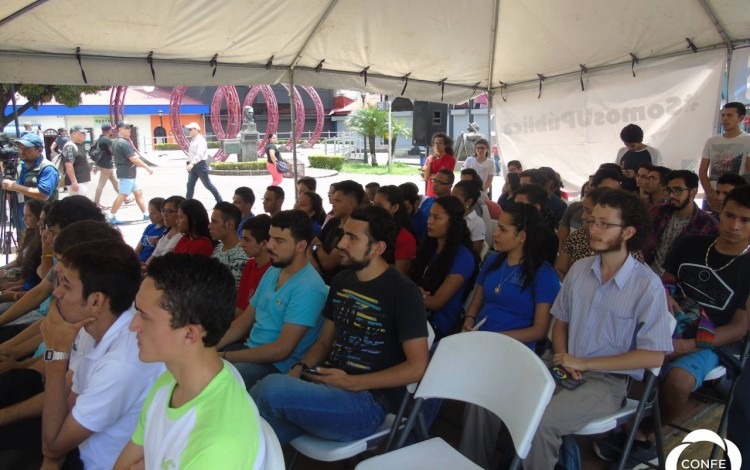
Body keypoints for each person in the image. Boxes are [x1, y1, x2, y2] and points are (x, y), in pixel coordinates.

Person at [250, 205, 429, 444]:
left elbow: (417, 367)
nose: (341, 244)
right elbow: (324, 342)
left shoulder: (403, 292)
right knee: (254, 434)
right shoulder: (342, 281)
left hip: (366, 403)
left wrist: (353, 382)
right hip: (327, 386)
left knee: (269, 389)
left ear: (378, 248)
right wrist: (300, 369)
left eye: (352, 237)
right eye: (344, 233)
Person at [600, 184, 750, 465]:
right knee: (615, 349)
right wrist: (665, 294)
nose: (734, 226)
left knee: (679, 381)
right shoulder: (692, 243)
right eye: (729, 216)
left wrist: (690, 344)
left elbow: (740, 328)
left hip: (712, 340)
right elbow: (666, 280)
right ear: (720, 211)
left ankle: (647, 431)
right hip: (667, 322)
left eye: (745, 220)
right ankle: (620, 419)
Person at [524, 189, 673, 469]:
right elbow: (561, 323)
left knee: (541, 423)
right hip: (561, 366)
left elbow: (654, 357)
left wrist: (584, 362)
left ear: (628, 232)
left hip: (606, 381)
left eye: (604, 224)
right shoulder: (580, 269)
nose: (592, 229)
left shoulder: (646, 285)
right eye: (592, 221)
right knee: (500, 397)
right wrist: (563, 356)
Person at [115, 254, 263, 470]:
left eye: (144, 316)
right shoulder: (170, 381)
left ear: (190, 334)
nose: (133, 326)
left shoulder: (219, 445)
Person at [38, 232, 163, 469]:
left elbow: (53, 445)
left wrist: (56, 354)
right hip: (75, 448)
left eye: (66, 285)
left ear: (96, 301)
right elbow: (70, 403)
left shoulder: (122, 363)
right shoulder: (92, 329)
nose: (57, 293)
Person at [459, 203, 561, 468]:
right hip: (482, 341)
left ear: (522, 236)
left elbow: (539, 330)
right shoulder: (494, 260)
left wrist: (497, 340)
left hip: (516, 352)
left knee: (482, 399)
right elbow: (476, 302)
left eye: (503, 229)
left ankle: (473, 462)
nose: (496, 233)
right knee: (434, 361)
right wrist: (469, 321)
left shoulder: (543, 275)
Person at [217, 210, 327, 388]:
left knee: (217, 381)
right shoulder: (274, 269)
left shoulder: (309, 287)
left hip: (275, 366)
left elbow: (281, 350)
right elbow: (244, 321)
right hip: (250, 351)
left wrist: (224, 356)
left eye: (279, 241)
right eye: (271, 238)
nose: (270, 246)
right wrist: (212, 346)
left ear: (300, 246)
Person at [410, 196, 477, 339]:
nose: (429, 221)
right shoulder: (430, 246)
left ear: (453, 223)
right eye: (429, 216)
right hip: (416, 313)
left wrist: (411, 293)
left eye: (437, 217)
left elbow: (436, 302)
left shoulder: (463, 257)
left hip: (438, 324)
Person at [642, 169, 718, 276]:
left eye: (678, 190)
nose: (672, 195)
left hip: (677, 284)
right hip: (646, 274)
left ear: (693, 192)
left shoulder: (707, 224)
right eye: (669, 190)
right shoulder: (658, 212)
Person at [308, 180, 364, 284]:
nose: (333, 204)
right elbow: (310, 246)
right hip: (318, 280)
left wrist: (317, 247)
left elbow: (328, 264)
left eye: (338, 201)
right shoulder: (333, 222)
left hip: (337, 284)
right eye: (334, 200)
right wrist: (314, 264)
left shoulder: (354, 231)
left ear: (351, 204)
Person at [699, 102, 750, 212]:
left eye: (730, 115)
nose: (725, 119)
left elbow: (748, 172)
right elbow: (702, 171)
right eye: (723, 115)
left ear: (740, 118)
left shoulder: (747, 140)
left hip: (735, 198)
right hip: (712, 197)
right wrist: (710, 194)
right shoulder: (711, 141)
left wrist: (737, 195)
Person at [1, 134, 58, 232]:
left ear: (39, 150)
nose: (22, 152)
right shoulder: (21, 166)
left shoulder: (47, 168)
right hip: (23, 216)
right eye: (20, 148)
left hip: (41, 219)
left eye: (27, 149)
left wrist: (15, 186)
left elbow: (43, 195)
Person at [108, 121, 153, 225]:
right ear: (120, 129)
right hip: (127, 172)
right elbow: (133, 159)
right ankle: (111, 215)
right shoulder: (123, 143)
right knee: (123, 194)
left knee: (138, 192)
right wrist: (147, 167)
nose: (129, 130)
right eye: (126, 128)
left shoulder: (116, 142)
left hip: (127, 172)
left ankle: (146, 214)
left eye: (129, 128)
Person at [372, 185, 417, 275]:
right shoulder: (372, 228)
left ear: (395, 208)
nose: (374, 210)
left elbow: (399, 277)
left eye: (380, 206)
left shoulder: (404, 238)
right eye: (374, 204)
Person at [514, 184, 559, 266]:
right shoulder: (515, 226)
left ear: (536, 207)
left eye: (520, 205)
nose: (514, 209)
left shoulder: (549, 238)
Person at [235, 214, 272, 314]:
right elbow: (240, 306)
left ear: (264, 244)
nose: (241, 244)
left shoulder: (273, 271)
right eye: (242, 238)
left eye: (247, 239)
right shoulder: (250, 264)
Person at [209, 202, 248, 289]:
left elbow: (232, 292)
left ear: (230, 224)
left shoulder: (241, 256)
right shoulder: (219, 248)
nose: (209, 226)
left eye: (214, 222)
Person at [615, 123, 663, 192]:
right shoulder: (622, 151)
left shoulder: (653, 153)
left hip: (645, 191)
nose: (629, 148)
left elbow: (657, 176)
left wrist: (635, 176)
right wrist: (621, 171)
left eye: (632, 146)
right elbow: (615, 171)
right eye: (626, 144)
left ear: (640, 141)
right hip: (625, 191)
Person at [184, 122, 222, 203]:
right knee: (190, 185)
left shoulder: (200, 140)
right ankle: (187, 203)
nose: (189, 131)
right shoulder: (193, 140)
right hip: (194, 166)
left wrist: (191, 163)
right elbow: (192, 154)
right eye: (188, 129)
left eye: (190, 129)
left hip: (200, 165)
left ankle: (220, 201)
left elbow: (199, 154)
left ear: (196, 130)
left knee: (208, 185)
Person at [145, 195, 185, 264]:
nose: (165, 215)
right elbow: (153, 256)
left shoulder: (183, 236)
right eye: (164, 211)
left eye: (169, 211)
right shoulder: (166, 232)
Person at [452, 180, 486, 254]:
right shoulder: (450, 215)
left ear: (468, 202)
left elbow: (474, 253)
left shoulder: (477, 223)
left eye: (455, 198)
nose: (451, 201)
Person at [92, 123, 121, 208]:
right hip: (106, 165)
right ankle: (96, 203)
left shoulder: (100, 139)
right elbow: (113, 151)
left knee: (115, 182)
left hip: (103, 164)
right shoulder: (106, 140)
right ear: (109, 130)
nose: (112, 131)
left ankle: (124, 198)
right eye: (112, 129)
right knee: (101, 185)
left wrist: (95, 165)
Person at [61, 125, 92, 197]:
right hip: (77, 182)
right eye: (82, 133)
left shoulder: (80, 145)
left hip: (83, 180)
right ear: (74, 134)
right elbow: (69, 165)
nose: (85, 135)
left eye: (85, 133)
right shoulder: (70, 146)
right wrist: (74, 182)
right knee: (78, 204)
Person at [134, 197, 168, 264]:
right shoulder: (150, 227)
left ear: (163, 213)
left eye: (153, 213)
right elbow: (138, 249)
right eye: (149, 213)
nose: (150, 216)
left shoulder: (166, 230)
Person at [423, 133, 456, 197]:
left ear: (445, 145)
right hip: (430, 193)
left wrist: (432, 176)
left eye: (440, 143)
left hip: (443, 194)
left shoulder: (450, 159)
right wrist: (430, 162)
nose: (437, 146)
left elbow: (444, 178)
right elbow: (426, 177)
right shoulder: (430, 158)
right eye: (435, 143)